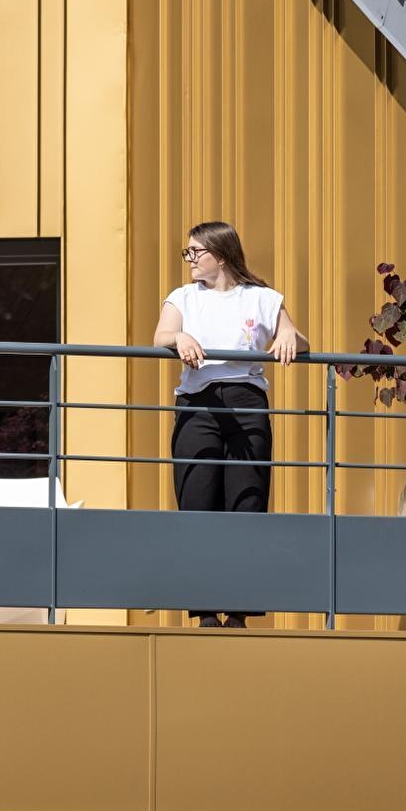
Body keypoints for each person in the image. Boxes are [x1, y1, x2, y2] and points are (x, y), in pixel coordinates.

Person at [152, 220, 309, 627]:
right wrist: (179, 339)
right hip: (197, 404)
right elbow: (161, 335)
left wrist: (290, 336)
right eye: (187, 252)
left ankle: (239, 611)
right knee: (197, 502)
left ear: (220, 255)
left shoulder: (262, 298)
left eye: (195, 252)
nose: (189, 259)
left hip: (246, 403)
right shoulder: (183, 297)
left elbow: (297, 338)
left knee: (246, 504)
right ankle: (204, 611)